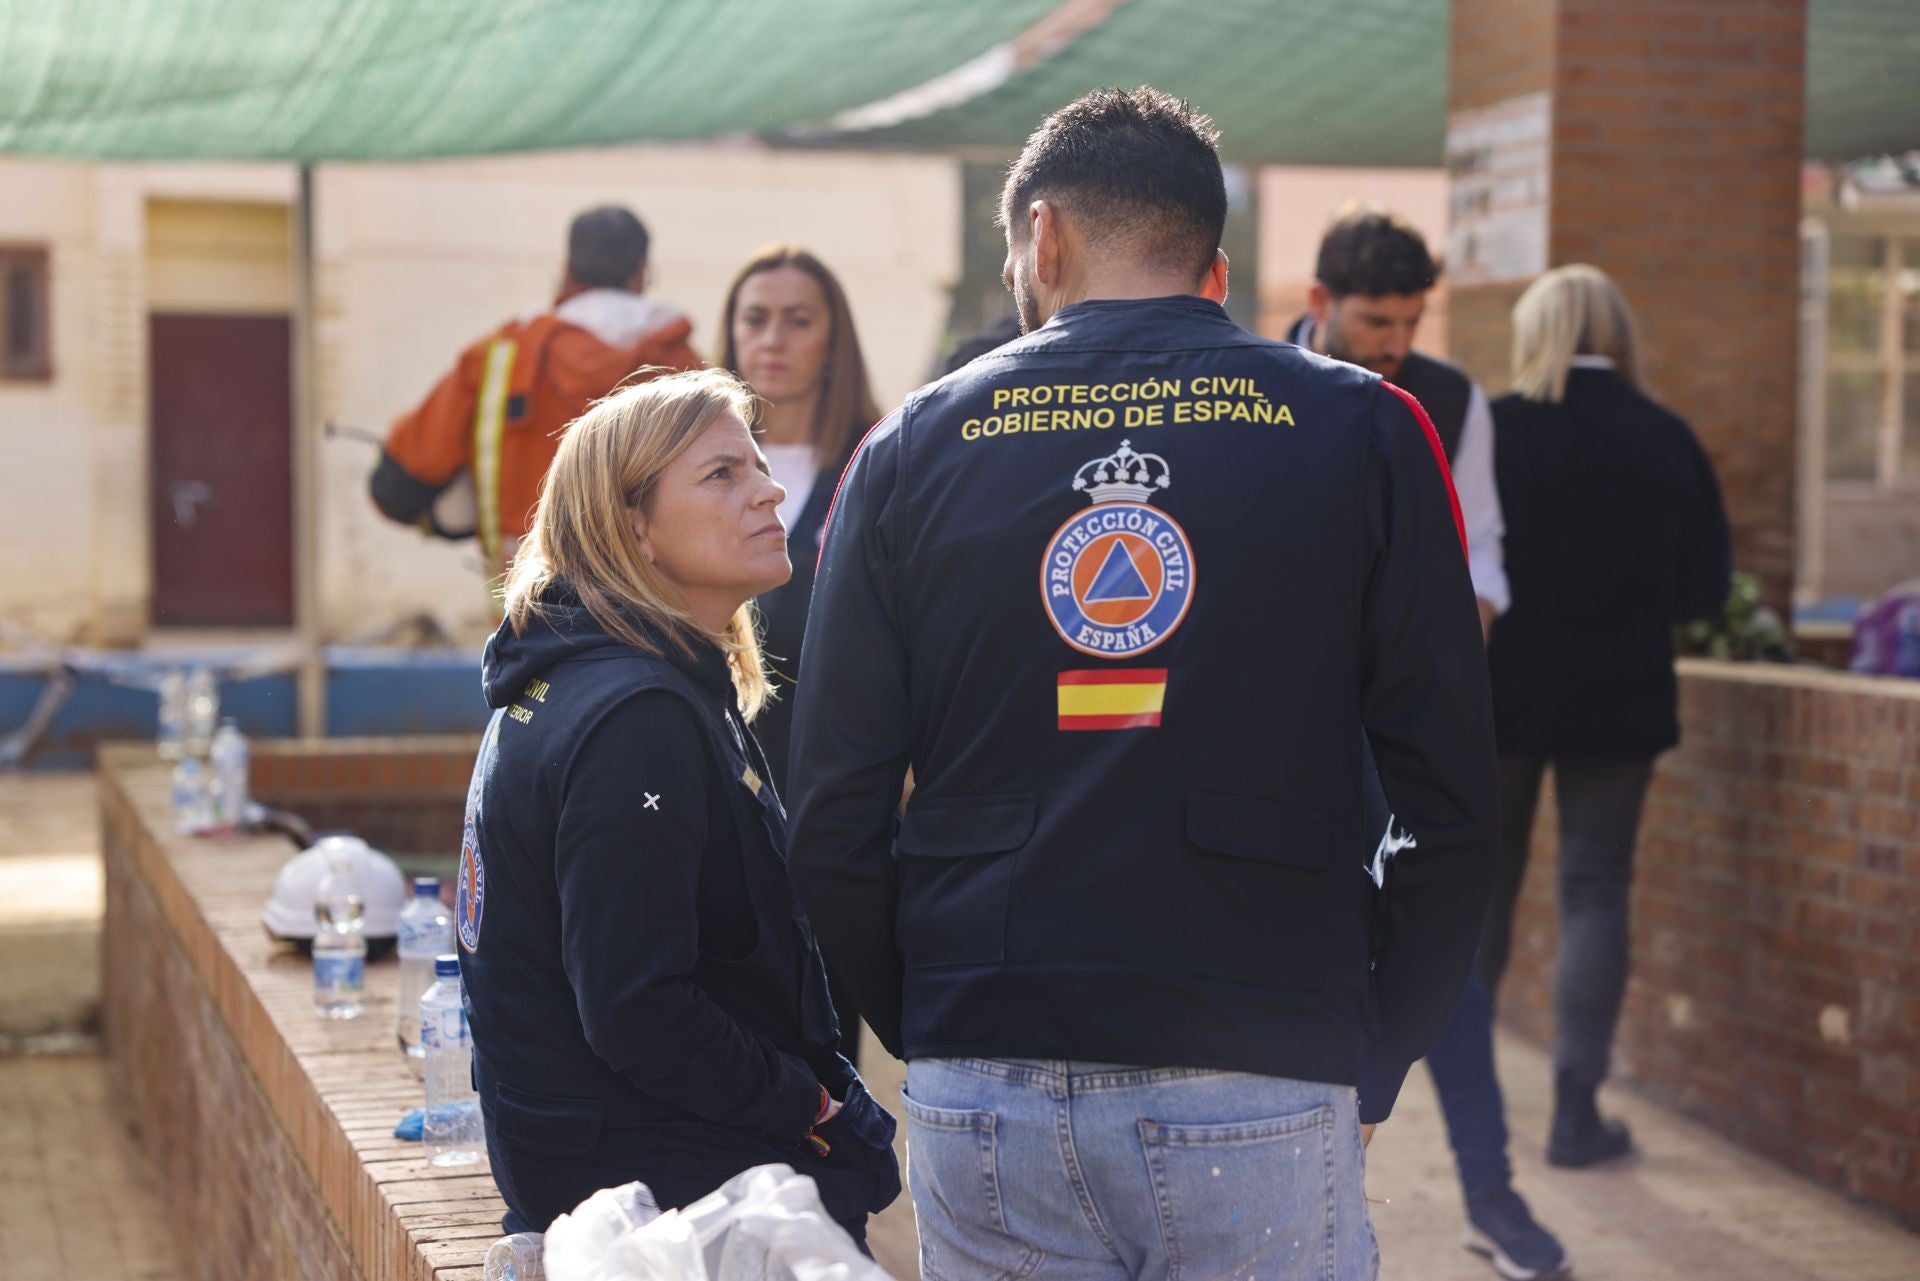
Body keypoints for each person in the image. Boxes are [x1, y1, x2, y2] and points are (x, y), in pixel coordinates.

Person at [787, 87, 1497, 1281]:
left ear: (1044, 237)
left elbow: (831, 815)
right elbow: (1455, 806)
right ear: (1213, 269)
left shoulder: (907, 447)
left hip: (983, 1059)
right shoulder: (1366, 430)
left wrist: (938, 1028)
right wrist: (1378, 1046)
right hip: (1265, 1050)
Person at [456, 369, 900, 1244]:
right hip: (652, 1196)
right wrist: (810, 1105)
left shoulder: (605, 676)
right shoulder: (635, 717)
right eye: (722, 474)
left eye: (760, 465)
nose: (770, 491)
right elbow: (637, 1008)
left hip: (631, 1167)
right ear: (634, 527)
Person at [1299, 209, 1567, 1279]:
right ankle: (1315, 1203)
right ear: (1320, 306)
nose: (1395, 340)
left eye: (1411, 319)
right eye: (1375, 319)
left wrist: (1436, 653)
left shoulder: (1451, 399)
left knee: (1448, 968)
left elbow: (1484, 558)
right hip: (1294, 742)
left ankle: (1492, 1195)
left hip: (1408, 735)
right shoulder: (1257, 389)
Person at [1482, 264, 1731, 1169]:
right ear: (1620, 334)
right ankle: (1574, 1114)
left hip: (1500, 696)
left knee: (1487, 882)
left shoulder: (1491, 430)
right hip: (1619, 698)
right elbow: (1705, 591)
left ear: (1531, 331)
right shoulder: (1666, 438)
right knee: (1595, 890)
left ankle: (1469, 1103)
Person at [716, 245, 882, 1070]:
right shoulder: (679, 467)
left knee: (819, 1061)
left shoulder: (878, 462)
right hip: (702, 802)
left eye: (798, 319)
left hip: (827, 817)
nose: (772, 338)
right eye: (755, 317)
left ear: (834, 340)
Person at [370, 205, 703, 574]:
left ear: (566, 270)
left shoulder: (503, 355)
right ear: (642, 270)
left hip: (532, 604)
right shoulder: (686, 367)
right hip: (654, 603)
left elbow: (400, 482)